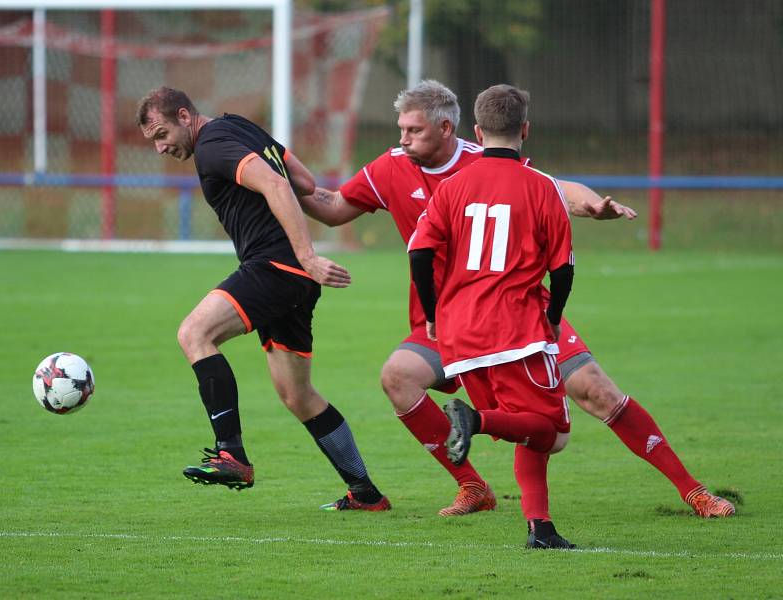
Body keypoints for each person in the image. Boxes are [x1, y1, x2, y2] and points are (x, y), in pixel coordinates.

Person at [297, 80, 734, 519]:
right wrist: (278, 179)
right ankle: (474, 487)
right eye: (401, 129)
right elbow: (333, 206)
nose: (402, 139)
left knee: (596, 392)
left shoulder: (483, 160)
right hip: (450, 320)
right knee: (398, 378)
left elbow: (556, 188)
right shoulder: (389, 168)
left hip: (520, 313)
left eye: (413, 130)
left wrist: (594, 206)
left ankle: (692, 491)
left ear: (448, 128)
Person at [135, 86, 389, 512]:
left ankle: (230, 453)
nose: (161, 147)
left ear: (184, 115)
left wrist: (306, 256)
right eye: (154, 142)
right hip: (292, 277)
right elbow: (304, 182)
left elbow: (275, 183)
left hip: (276, 267)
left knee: (195, 333)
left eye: (163, 134)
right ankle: (365, 493)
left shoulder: (212, 148)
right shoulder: (237, 126)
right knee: (297, 394)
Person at [409, 83, 576, 548]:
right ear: (525, 129)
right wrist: (555, 316)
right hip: (516, 328)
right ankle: (474, 421)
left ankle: (540, 529)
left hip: (460, 333)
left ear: (478, 132)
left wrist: (432, 313)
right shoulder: (542, 187)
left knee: (525, 426)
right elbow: (562, 269)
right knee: (551, 432)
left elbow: (420, 252)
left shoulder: (452, 187)